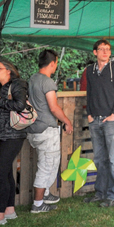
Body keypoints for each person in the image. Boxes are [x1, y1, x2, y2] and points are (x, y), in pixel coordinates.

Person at [27, 49, 73, 214]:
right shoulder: (47, 82)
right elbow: (53, 108)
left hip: (33, 129)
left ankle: (45, 194)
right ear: (53, 63)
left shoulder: (32, 79)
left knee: (48, 163)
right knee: (46, 166)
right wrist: (67, 121)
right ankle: (38, 205)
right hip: (46, 129)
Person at [0, 58, 29, 227]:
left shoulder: (18, 84)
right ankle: (10, 210)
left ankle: (0, 215)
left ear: (9, 71)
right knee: (7, 173)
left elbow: (20, 105)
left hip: (12, 135)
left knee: (0, 174)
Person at [84, 39, 114, 207]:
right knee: (100, 159)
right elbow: (89, 92)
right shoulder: (90, 70)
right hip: (95, 119)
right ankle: (100, 192)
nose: (105, 52)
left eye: (107, 49)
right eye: (101, 49)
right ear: (95, 52)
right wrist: (89, 113)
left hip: (110, 120)